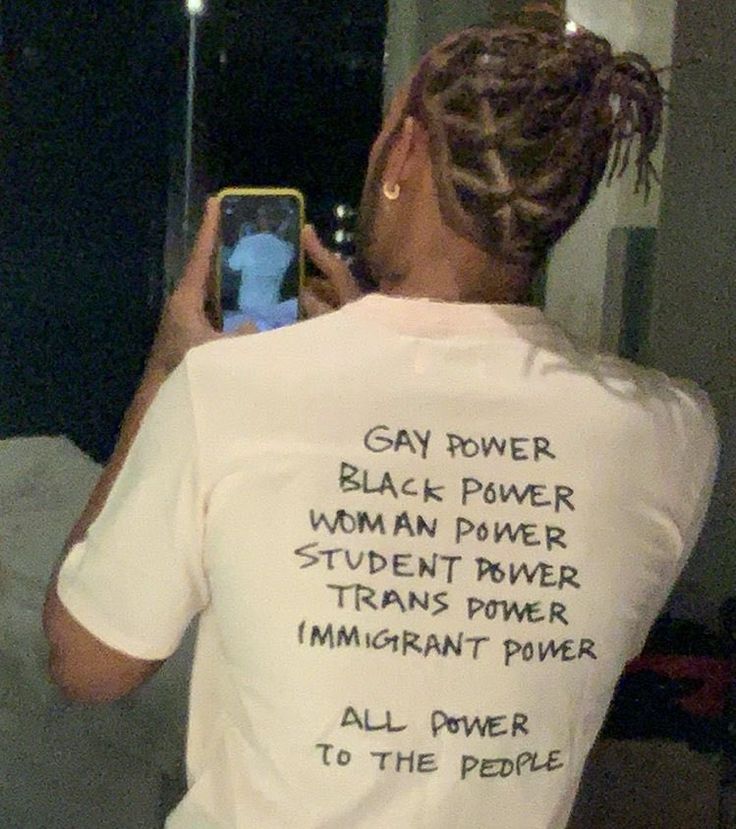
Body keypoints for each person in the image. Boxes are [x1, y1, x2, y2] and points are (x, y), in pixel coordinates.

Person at [43, 9, 719, 829]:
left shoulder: (228, 388)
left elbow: (86, 663)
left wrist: (165, 372)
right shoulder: (672, 429)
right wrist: (388, 342)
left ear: (401, 152)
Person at [223, 203, 297, 332]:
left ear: (261, 220)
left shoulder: (247, 243)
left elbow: (232, 266)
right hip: (272, 310)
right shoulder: (287, 249)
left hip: (246, 311)